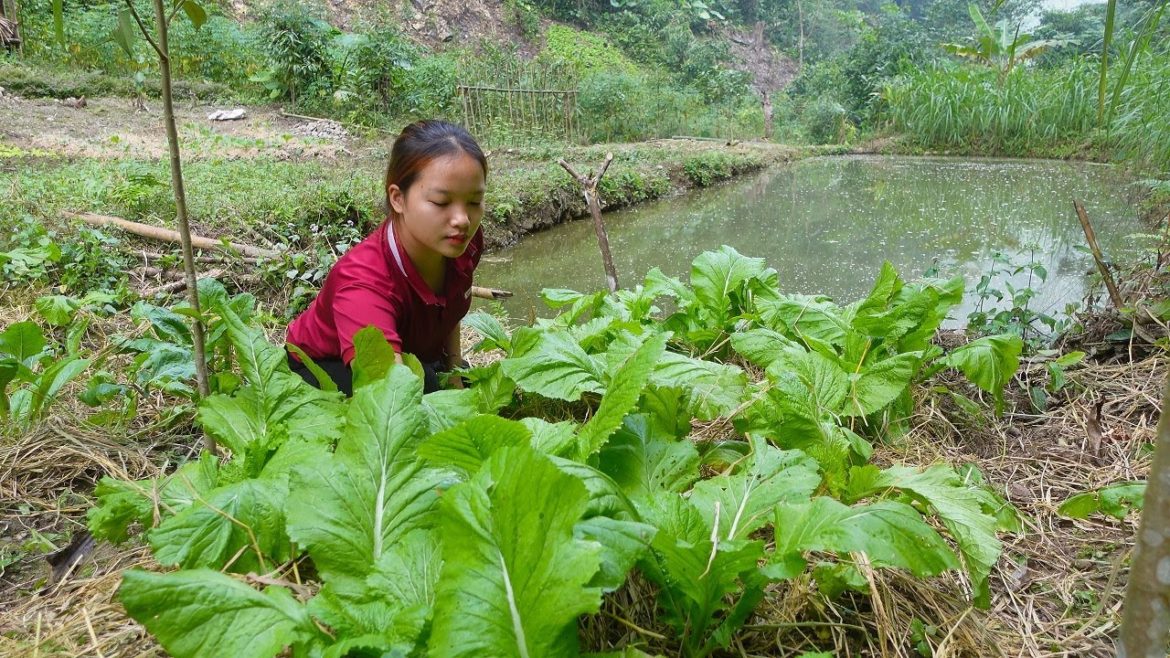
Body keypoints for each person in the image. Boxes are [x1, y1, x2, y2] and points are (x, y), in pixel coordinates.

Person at [285, 119, 486, 395]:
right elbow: (388, 396)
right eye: (441, 202)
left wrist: (454, 368)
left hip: (409, 350)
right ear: (398, 198)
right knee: (422, 386)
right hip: (319, 365)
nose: (463, 219)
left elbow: (450, 304)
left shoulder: (462, 242)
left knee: (470, 382)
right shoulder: (363, 281)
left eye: (474, 202)